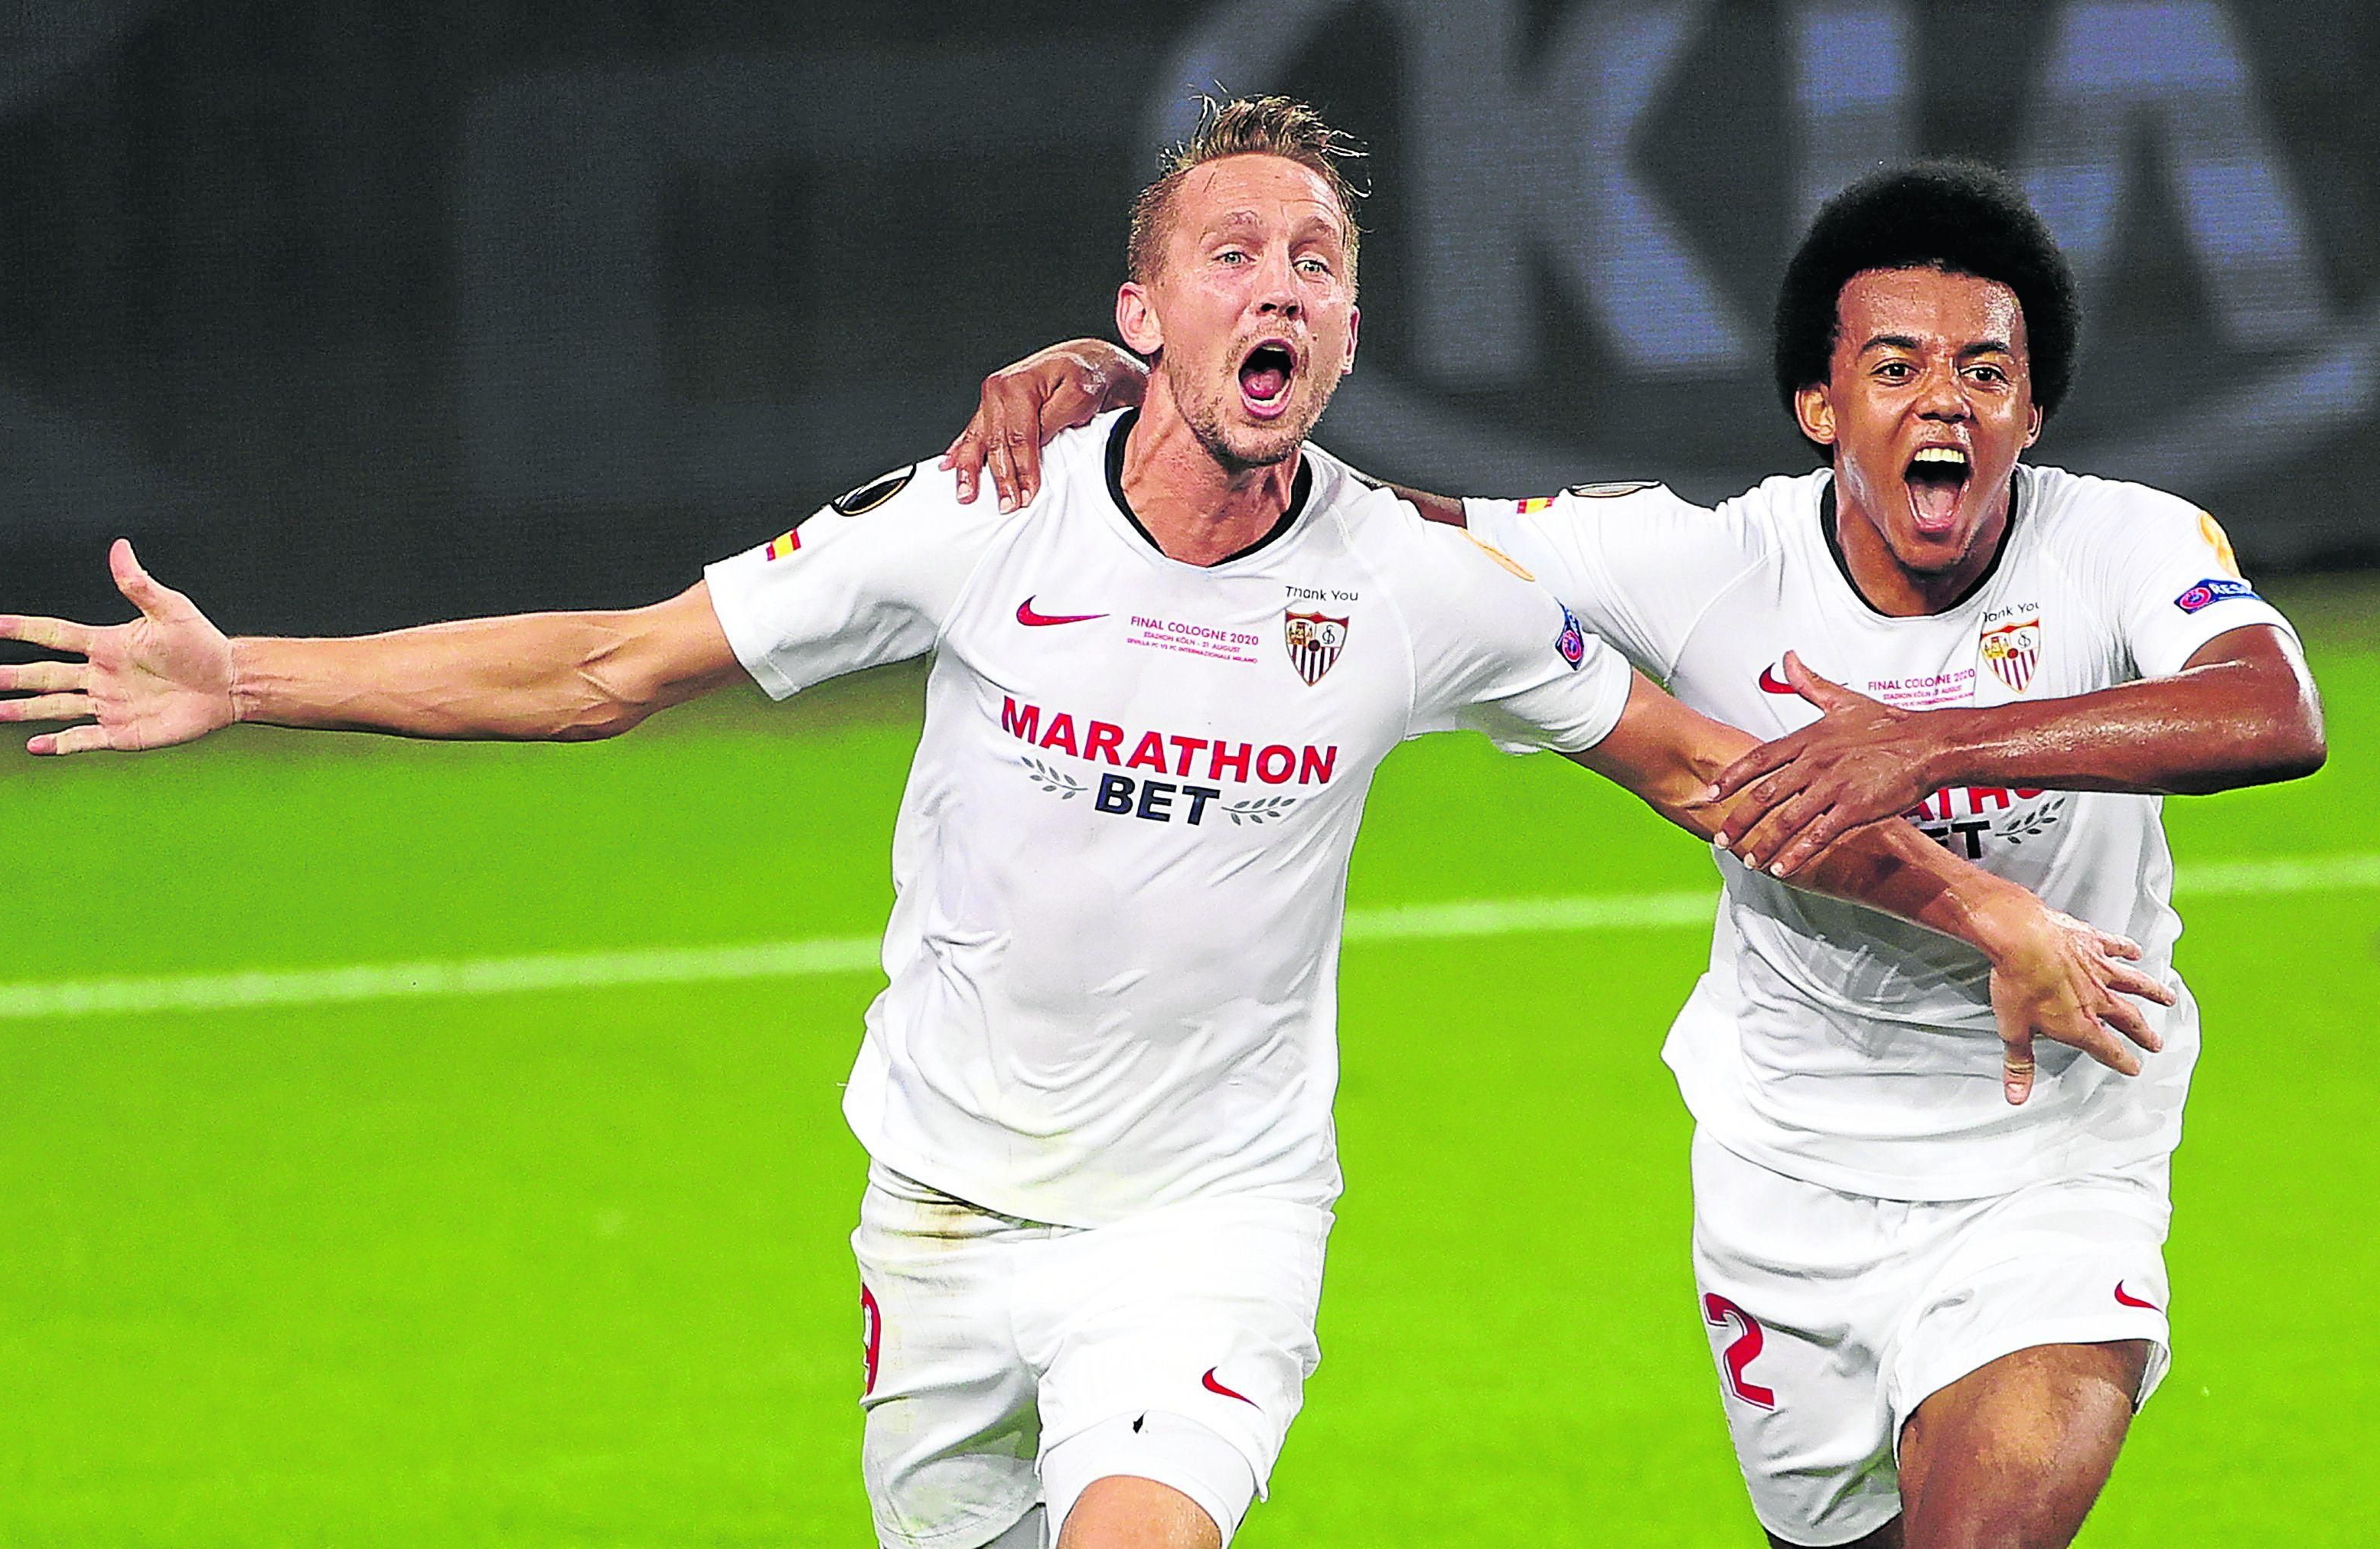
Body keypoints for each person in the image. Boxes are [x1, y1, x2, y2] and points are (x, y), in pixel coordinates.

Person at [0, 113, 2170, 1549]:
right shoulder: (979, 512)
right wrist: (247, 672)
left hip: (1204, 1237)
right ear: (1144, 322)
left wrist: (1990, 907)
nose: (1284, 285)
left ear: (1339, 337)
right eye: (1235, 251)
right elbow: (604, 672)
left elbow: (1719, 772)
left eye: (1318, 260)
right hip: (937, 1223)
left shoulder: (1412, 589)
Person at [941, 159, 2325, 1548]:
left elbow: (2275, 712)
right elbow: (1385, 527)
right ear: (1818, 405)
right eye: (1895, 366)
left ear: (2032, 408)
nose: (1945, 400)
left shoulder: (2124, 543)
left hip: (2056, 1165)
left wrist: (1928, 747)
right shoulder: (1701, 563)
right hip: (1791, 1182)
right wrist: (1158, 392)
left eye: (1986, 370)